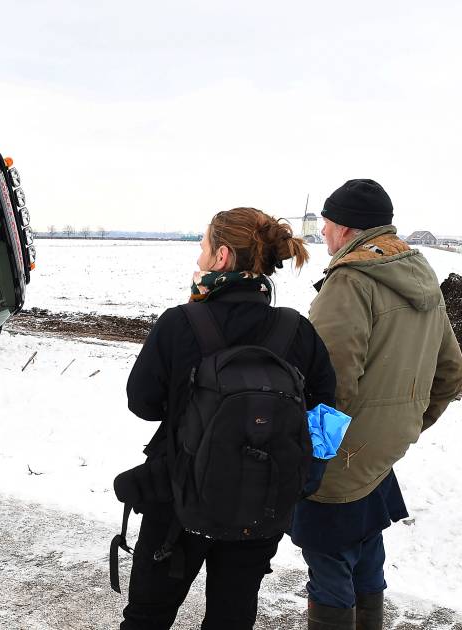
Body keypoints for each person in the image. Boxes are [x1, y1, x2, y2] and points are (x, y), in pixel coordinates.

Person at [121, 207, 338, 629]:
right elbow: (325, 407)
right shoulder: (296, 330)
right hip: (261, 504)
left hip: (180, 499)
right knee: (232, 617)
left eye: (203, 248)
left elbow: (142, 403)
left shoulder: (180, 322)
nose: (198, 258)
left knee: (148, 615)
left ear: (221, 257)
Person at [293, 179, 462, 630]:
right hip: (381, 453)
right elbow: (451, 371)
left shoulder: (349, 281)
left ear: (346, 229)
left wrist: (310, 455)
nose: (324, 235)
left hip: (339, 457)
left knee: (330, 566)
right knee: (367, 555)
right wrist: (405, 422)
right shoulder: (420, 276)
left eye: (327, 226)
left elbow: (330, 386)